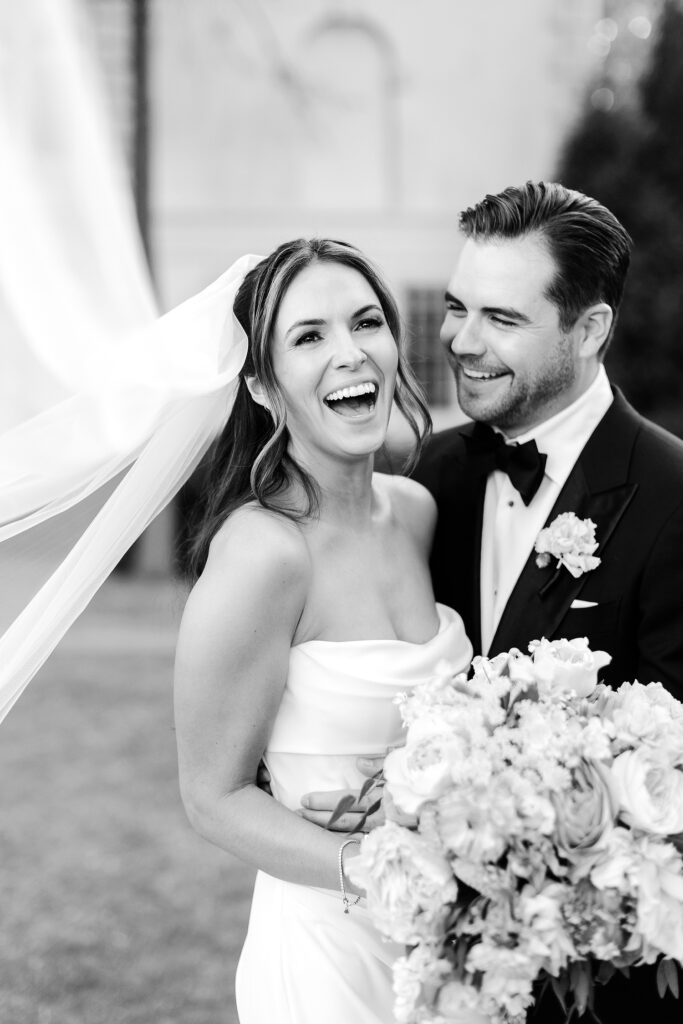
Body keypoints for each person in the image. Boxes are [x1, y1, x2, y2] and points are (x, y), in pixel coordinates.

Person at [301, 183, 683, 1021]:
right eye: (455, 308)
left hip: (598, 990)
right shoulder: (429, 477)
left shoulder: (669, 497)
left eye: (502, 320)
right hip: (409, 954)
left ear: (589, 331)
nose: (460, 343)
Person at [172, 237, 474, 1024]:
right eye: (308, 337)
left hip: (450, 947)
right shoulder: (262, 555)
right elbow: (212, 796)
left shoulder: (415, 513)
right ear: (264, 389)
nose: (350, 353)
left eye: (366, 322)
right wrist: (375, 871)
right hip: (326, 953)